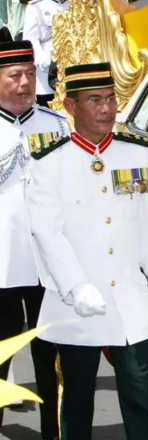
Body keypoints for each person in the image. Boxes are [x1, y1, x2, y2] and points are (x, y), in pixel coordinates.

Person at [28, 62, 148, 439]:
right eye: (94, 101)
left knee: (139, 393)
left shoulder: (134, 154)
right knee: (77, 395)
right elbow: (47, 231)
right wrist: (75, 285)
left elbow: (146, 227)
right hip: (76, 302)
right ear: (71, 107)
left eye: (110, 99)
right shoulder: (50, 161)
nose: (106, 109)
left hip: (128, 297)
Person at [0, 40, 65, 440]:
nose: (25, 84)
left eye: (29, 74)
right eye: (14, 76)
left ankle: (52, 433)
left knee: (50, 354)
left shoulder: (55, 125)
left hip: (46, 264)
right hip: (3, 263)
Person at [23, 0, 70, 107]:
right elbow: (31, 39)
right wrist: (43, 61)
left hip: (72, 66)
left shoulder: (77, 3)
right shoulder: (35, 7)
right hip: (47, 71)